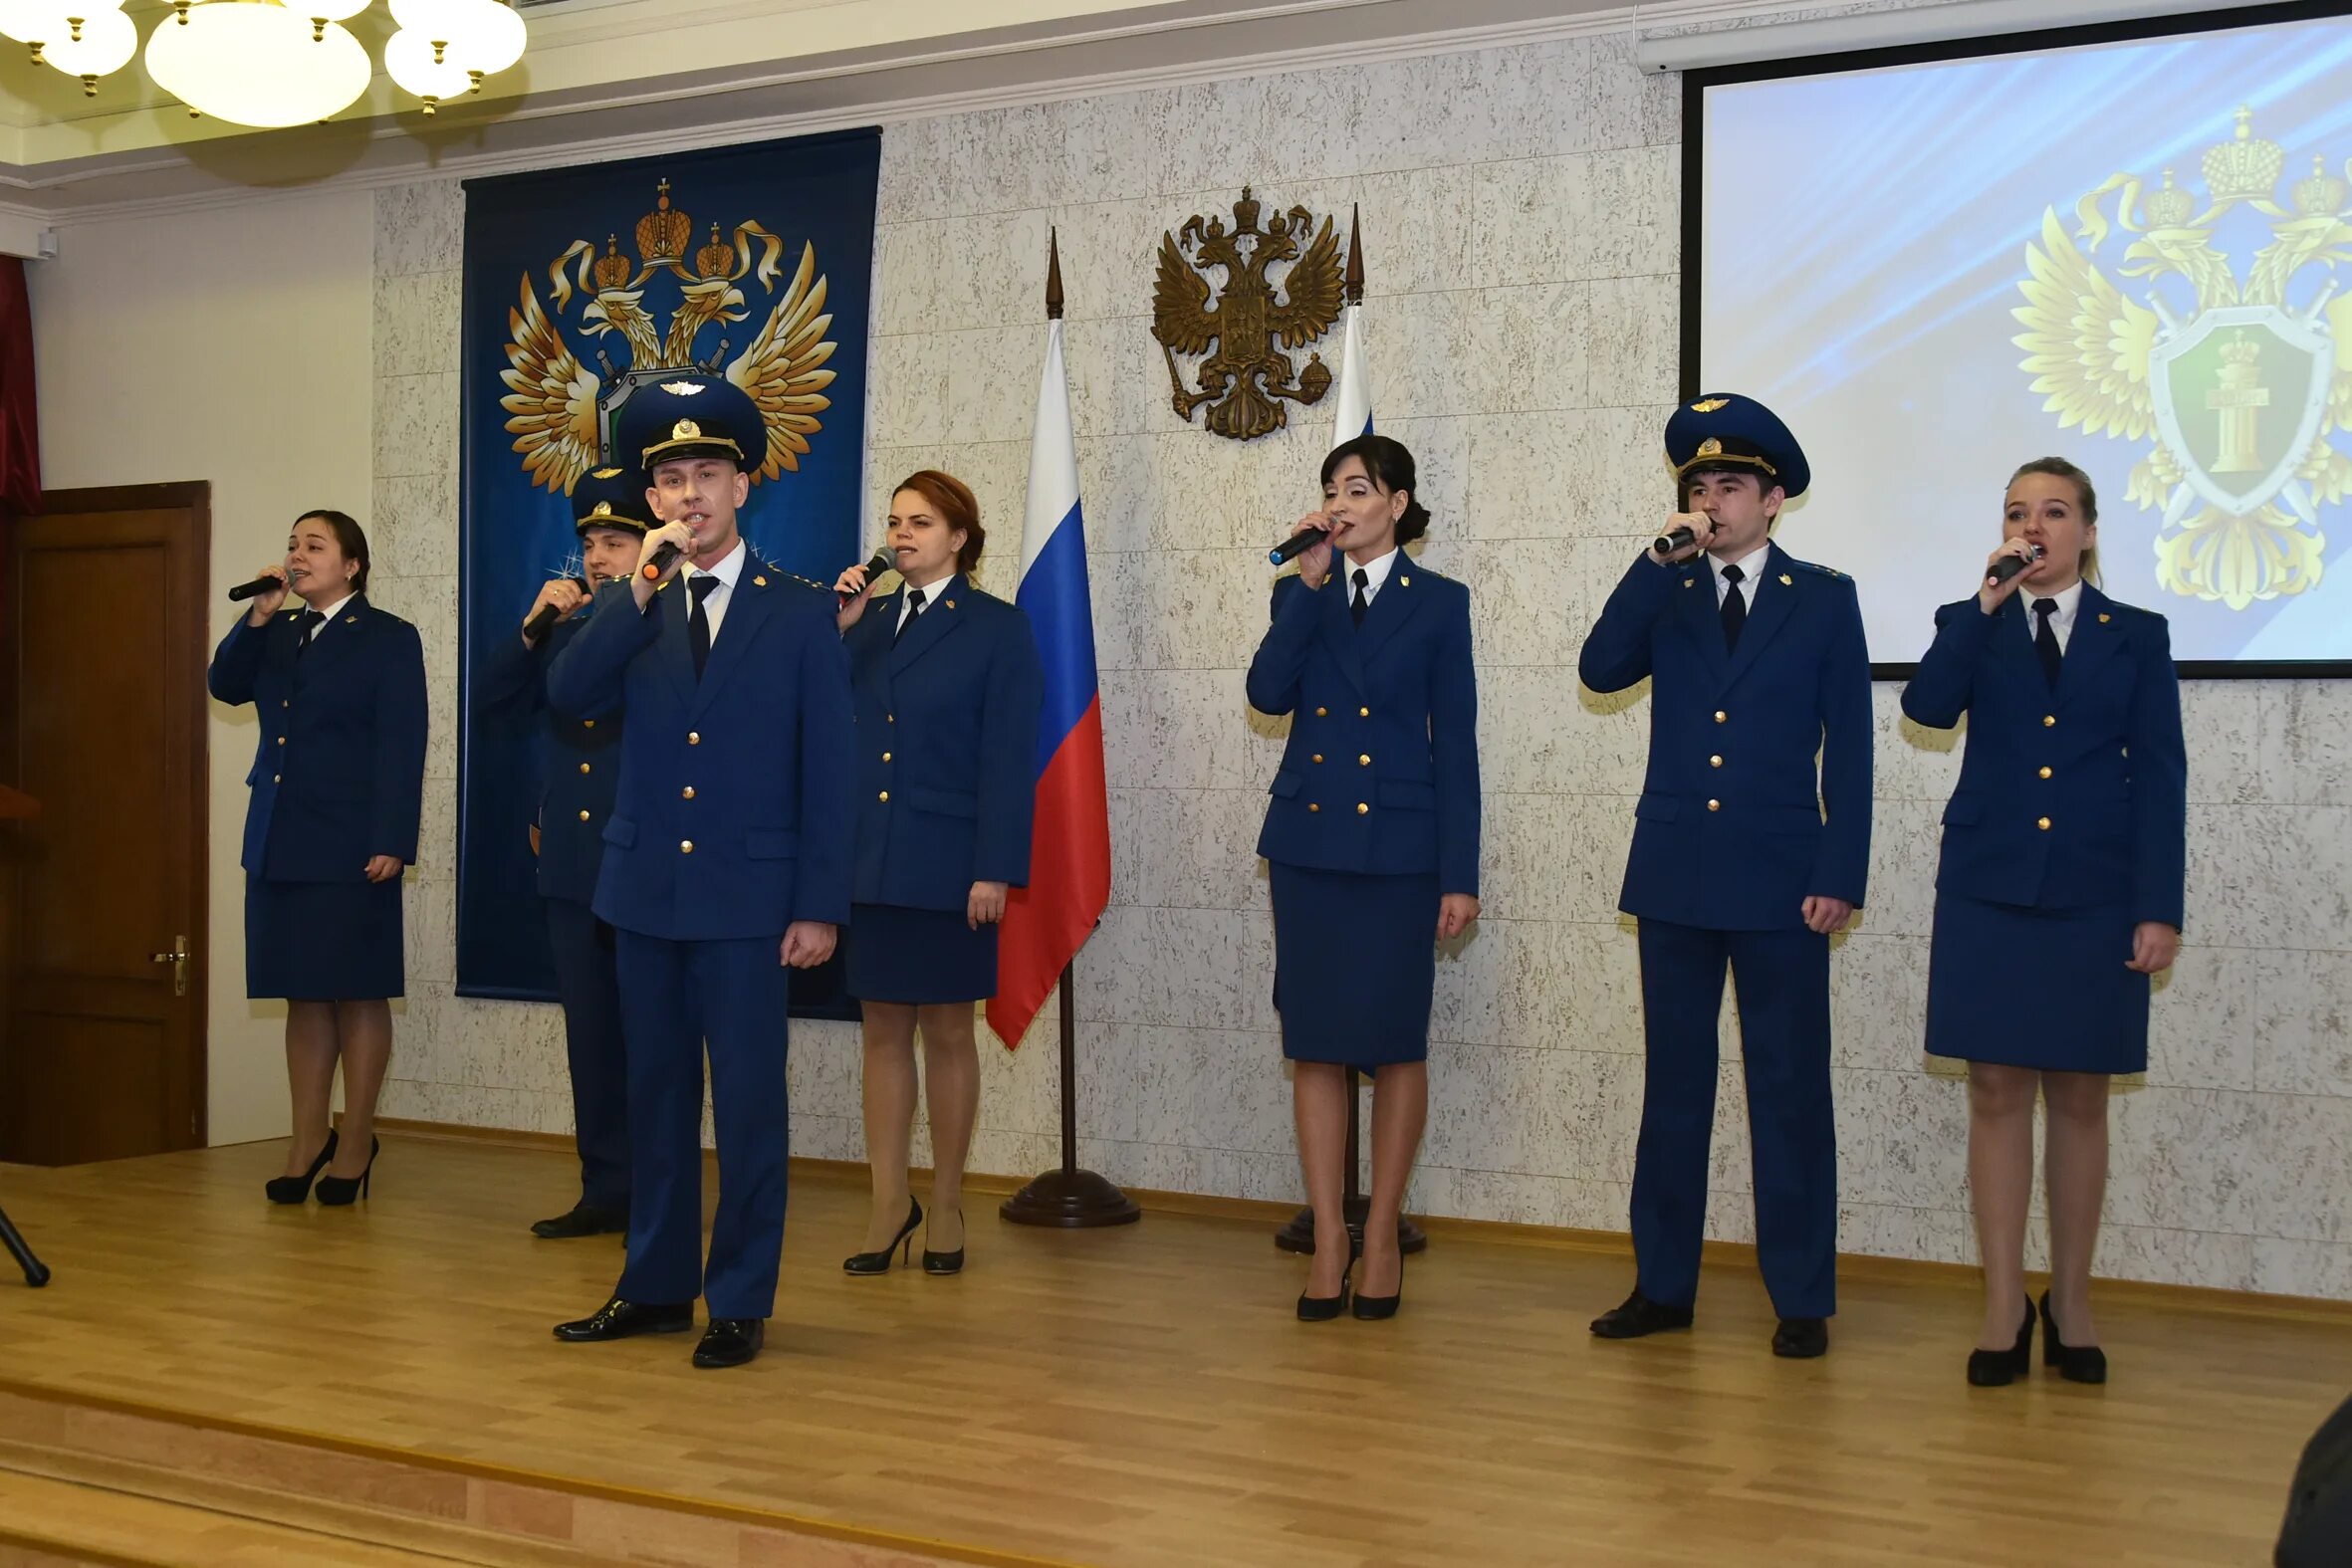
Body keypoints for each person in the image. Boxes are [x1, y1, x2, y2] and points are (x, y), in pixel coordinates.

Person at [544, 374, 854, 1370]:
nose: (690, 495)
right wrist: (635, 586)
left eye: (707, 474)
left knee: (751, 1105)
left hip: (751, 902)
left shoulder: (799, 612)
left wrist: (818, 905)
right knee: (657, 1097)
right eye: (670, 478)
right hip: (642, 894)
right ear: (651, 499)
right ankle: (653, 1286)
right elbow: (568, 690)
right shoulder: (632, 606)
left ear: (743, 486)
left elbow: (829, 770)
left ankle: (739, 1299)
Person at [1576, 394, 1871, 1359]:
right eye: (1698, 485)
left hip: (1786, 880)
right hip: (1675, 877)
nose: (1711, 501)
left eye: (1729, 486)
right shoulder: (1668, 589)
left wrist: (1841, 870)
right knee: (1675, 1089)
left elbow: (1853, 753)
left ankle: (1801, 1296)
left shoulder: (1822, 599)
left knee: (1788, 1088)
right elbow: (1600, 667)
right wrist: (1650, 563)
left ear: (1773, 499)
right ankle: (1662, 1284)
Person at [1900, 456, 2184, 1387]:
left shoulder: (2136, 635)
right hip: (1990, 884)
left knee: (2080, 1094)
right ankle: (1999, 1304)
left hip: (2097, 892)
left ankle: (2071, 1301)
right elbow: (1927, 707)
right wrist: (1982, 606)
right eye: (2020, 512)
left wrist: (2158, 907)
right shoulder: (1970, 624)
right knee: (1993, 1088)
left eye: (2055, 512)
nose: (2035, 526)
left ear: (2089, 530)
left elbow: (2161, 781)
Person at [1244, 434, 1480, 1323]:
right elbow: (1268, 694)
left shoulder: (1440, 603)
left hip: (1401, 853)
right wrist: (1304, 589)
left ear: (1398, 502)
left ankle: (1381, 1232)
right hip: (1308, 848)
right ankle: (1330, 1239)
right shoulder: (1300, 590)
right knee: (1315, 1041)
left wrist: (1459, 871)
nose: (1338, 505)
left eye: (1356, 489)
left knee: (1393, 1043)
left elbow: (1454, 741)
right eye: (1330, 490)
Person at [832, 471, 1042, 1276]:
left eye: (920, 522)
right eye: (893, 521)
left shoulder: (997, 628)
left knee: (949, 1030)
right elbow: (819, 718)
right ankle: (890, 1200)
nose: (901, 535)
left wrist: (996, 868)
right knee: (882, 1027)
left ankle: (947, 1198)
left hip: (952, 864)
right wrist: (840, 625)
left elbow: (1006, 756)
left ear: (960, 537)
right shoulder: (865, 621)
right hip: (872, 856)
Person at [207, 510, 425, 1207]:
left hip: (354, 839)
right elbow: (225, 683)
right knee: (302, 991)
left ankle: (355, 1141)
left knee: (356, 988)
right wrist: (260, 615)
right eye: (292, 544)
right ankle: (306, 1140)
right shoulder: (278, 631)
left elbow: (403, 740)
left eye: (314, 546)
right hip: (281, 835)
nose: (297, 556)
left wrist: (393, 835)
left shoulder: (388, 637)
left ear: (352, 564)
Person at [478, 470, 650, 1238]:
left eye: (616, 540)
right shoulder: (567, 624)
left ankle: (658, 1190)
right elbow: (491, 704)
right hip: (576, 858)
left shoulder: (666, 620)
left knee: (652, 1034)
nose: (598, 556)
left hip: (645, 857)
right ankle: (604, 1189)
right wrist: (529, 626)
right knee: (591, 1033)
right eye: (589, 542)